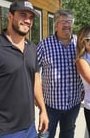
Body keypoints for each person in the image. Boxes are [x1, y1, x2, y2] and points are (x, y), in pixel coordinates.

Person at [0, 0, 48, 138]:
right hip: (3, 130)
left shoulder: (32, 48)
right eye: (23, 15)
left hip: (30, 127)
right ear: (10, 16)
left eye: (31, 17)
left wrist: (43, 111)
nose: (28, 20)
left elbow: (35, 80)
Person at [37, 9, 84, 138]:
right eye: (63, 22)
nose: (67, 25)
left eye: (69, 22)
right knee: (45, 135)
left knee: (68, 133)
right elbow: (32, 71)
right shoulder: (44, 45)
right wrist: (35, 96)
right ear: (56, 25)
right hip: (50, 105)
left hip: (73, 103)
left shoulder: (80, 43)